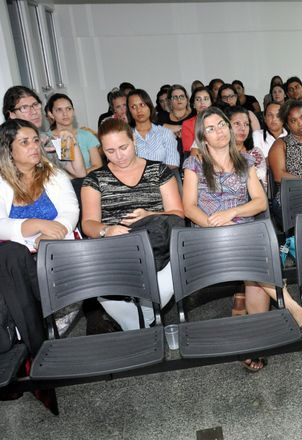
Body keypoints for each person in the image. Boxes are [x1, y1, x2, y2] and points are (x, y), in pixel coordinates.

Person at [182, 107, 302, 372]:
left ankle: (256, 345)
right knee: (257, 263)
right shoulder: (194, 163)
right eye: (211, 128)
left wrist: (232, 212)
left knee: (255, 275)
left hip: (244, 232)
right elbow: (189, 207)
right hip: (210, 236)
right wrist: (215, 222)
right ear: (202, 136)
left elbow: (259, 201)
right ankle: (292, 307)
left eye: (222, 124)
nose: (219, 131)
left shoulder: (245, 161)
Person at [81, 118, 183, 331]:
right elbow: (88, 224)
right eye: (110, 151)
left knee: (163, 227)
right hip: (116, 246)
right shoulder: (95, 179)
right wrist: (107, 230)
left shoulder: (158, 170)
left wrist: (149, 213)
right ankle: (143, 325)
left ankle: (137, 323)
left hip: (156, 245)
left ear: (134, 141)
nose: (119, 156)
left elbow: (177, 214)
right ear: (102, 151)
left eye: (123, 147)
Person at [0, 119, 80, 363]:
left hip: (53, 251)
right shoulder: (1, 182)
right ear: (8, 149)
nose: (34, 146)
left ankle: (18, 332)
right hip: (16, 261)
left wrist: (53, 232)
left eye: (35, 140)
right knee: (14, 258)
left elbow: (70, 210)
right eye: (24, 142)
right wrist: (34, 225)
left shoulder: (53, 174)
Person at [3, 86, 86, 178]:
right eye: (24, 107)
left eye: (35, 105)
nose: (34, 111)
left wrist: (72, 143)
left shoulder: (47, 139)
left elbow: (79, 173)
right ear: (12, 114)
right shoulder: (4, 142)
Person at [44, 93, 103, 171]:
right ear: (51, 114)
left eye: (68, 109)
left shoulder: (86, 135)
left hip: (87, 179)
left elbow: (97, 165)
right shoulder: (45, 139)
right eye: (59, 110)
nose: (65, 114)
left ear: (73, 111)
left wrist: (81, 176)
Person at [127, 89, 180, 169]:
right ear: (129, 111)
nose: (139, 110)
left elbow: (173, 163)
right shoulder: (126, 136)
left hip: (163, 179)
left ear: (149, 106)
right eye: (134, 107)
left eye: (142, 105)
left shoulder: (165, 133)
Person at [225, 106, 267, 192]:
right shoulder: (219, 154)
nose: (243, 128)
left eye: (246, 124)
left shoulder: (255, 153)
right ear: (226, 126)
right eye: (237, 123)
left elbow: (261, 186)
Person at [181, 87, 212, 154]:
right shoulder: (187, 124)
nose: (202, 102)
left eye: (206, 99)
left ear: (211, 103)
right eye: (198, 99)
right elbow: (188, 151)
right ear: (194, 105)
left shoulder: (219, 120)